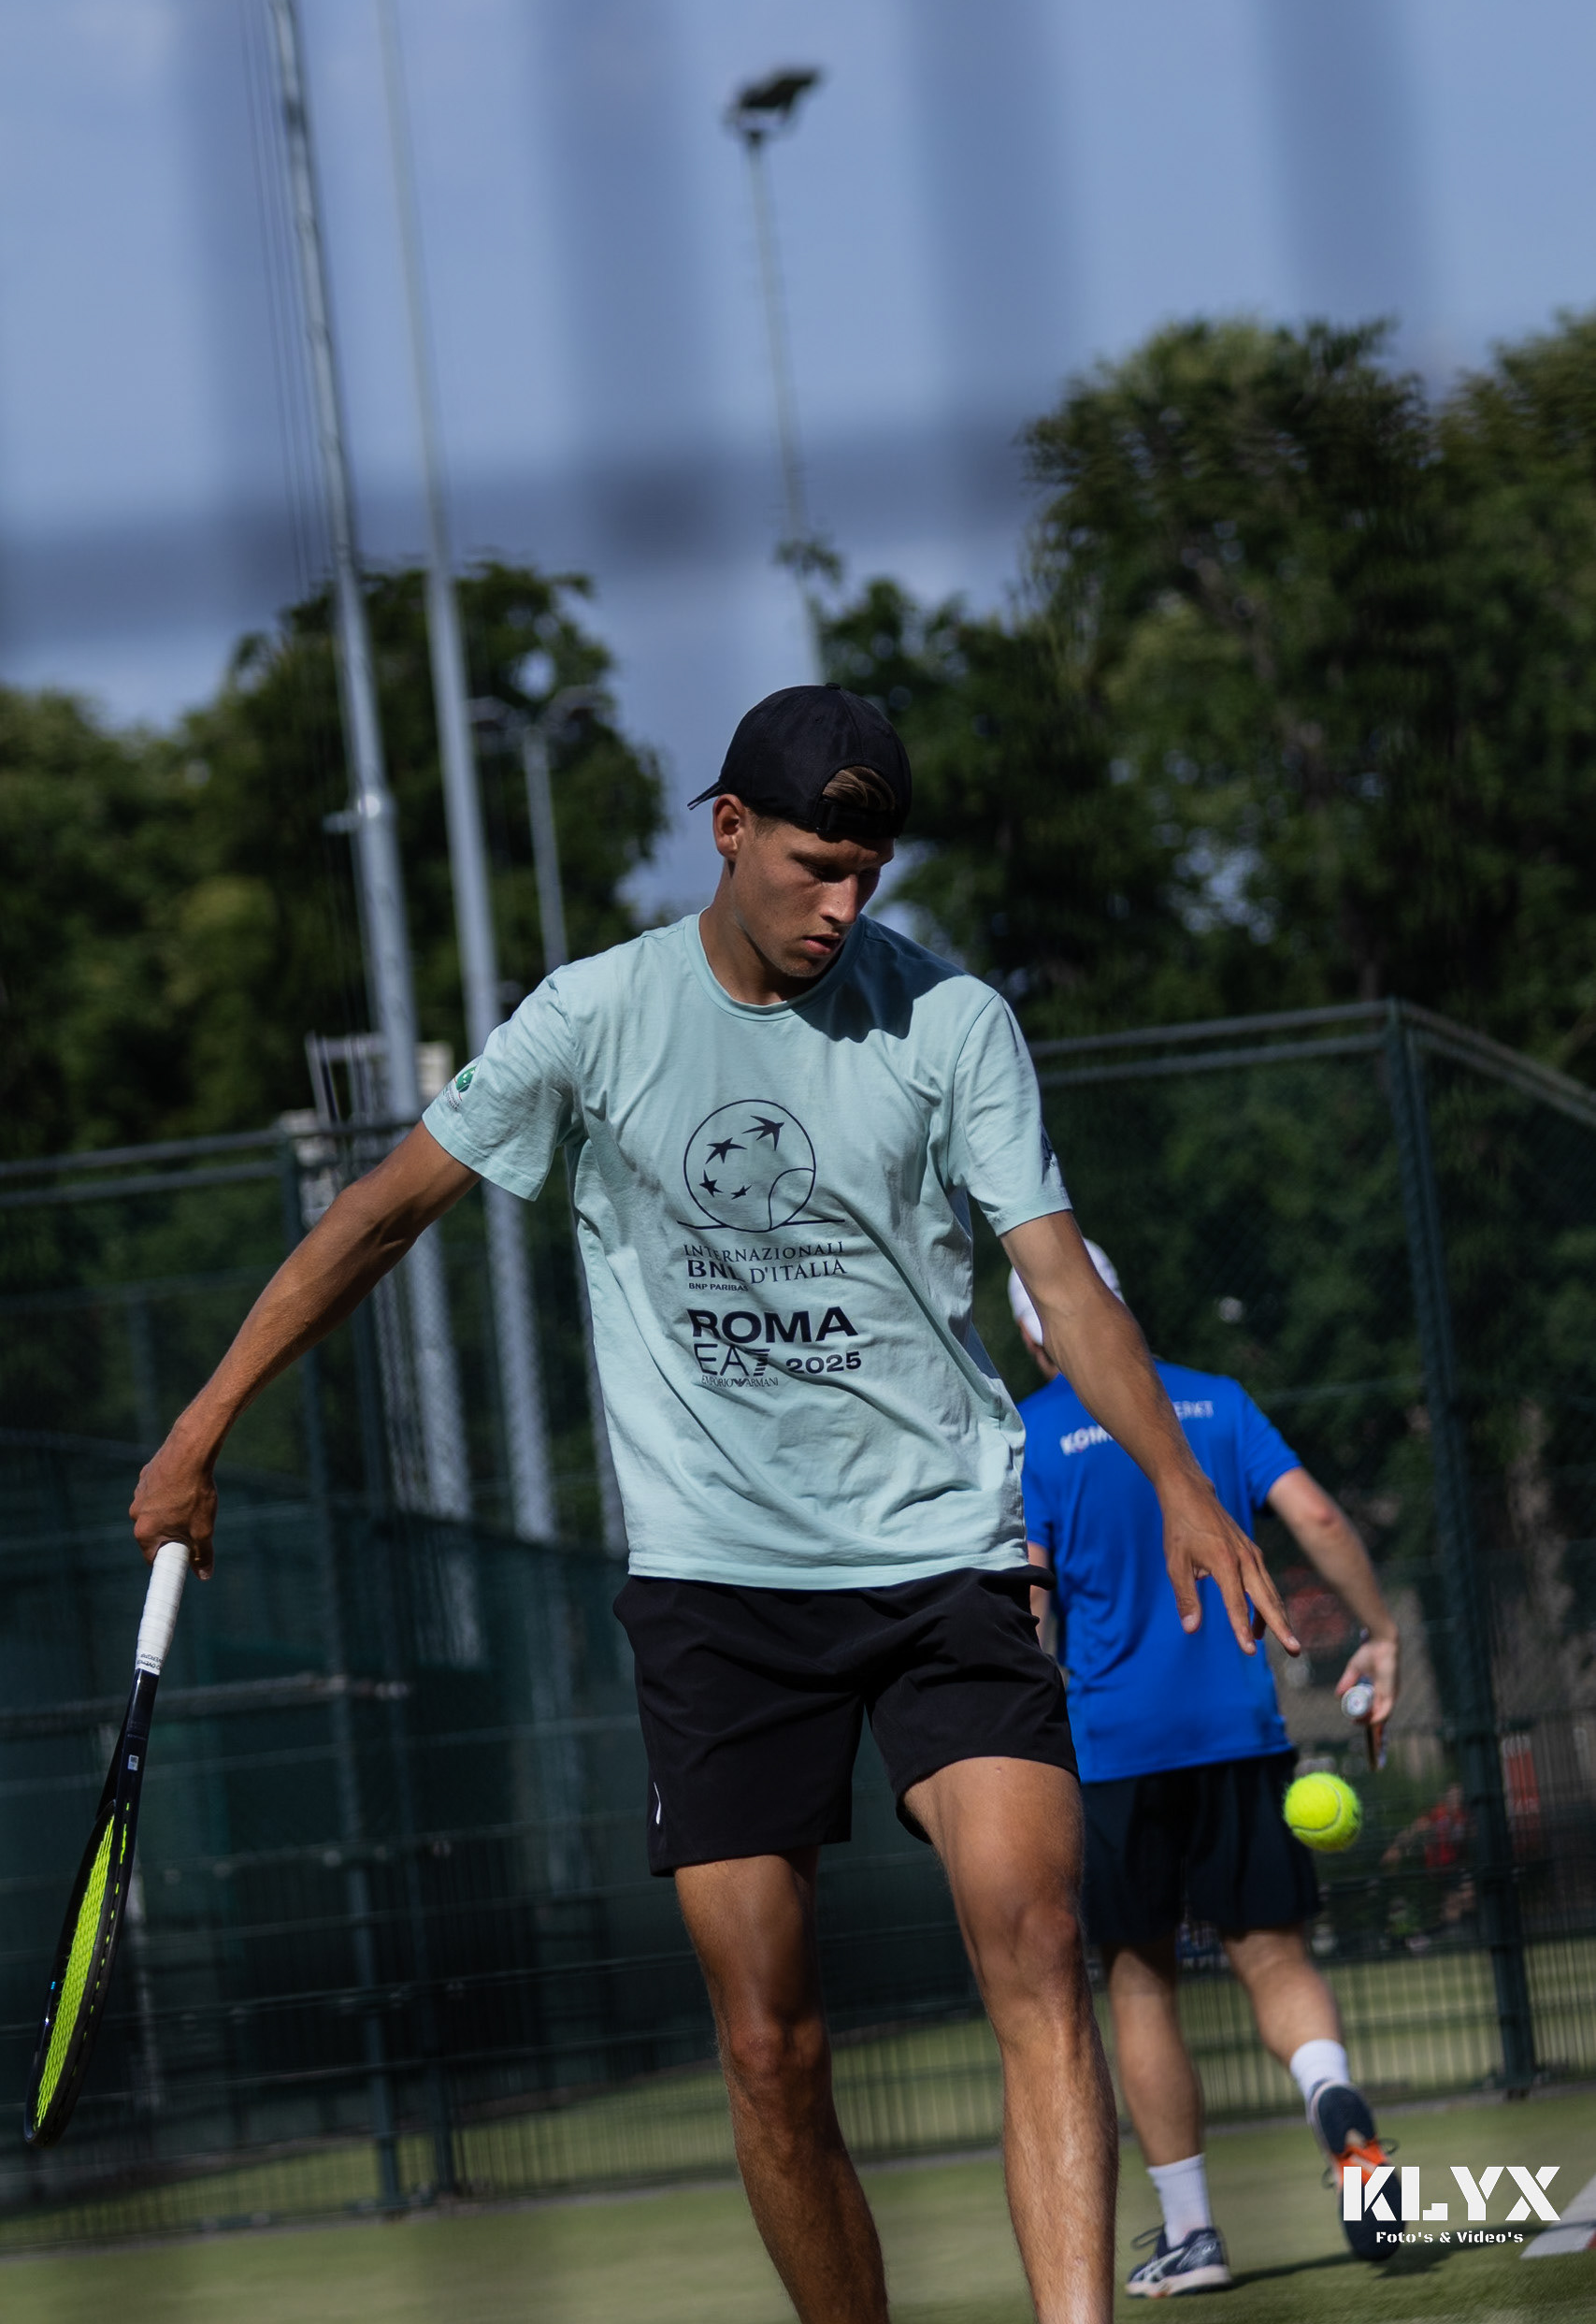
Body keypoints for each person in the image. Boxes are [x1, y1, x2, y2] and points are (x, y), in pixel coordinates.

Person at [132, 684, 1298, 2324]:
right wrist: (201, 1426)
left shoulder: (950, 1021)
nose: (843, 905)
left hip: (944, 1558)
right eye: (816, 865)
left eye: (868, 875)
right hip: (717, 1591)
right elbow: (383, 1216)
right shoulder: (592, 1017)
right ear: (729, 831)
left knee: (1036, 1943)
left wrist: (1178, 1480)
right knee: (766, 2044)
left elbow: (1056, 1278)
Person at [1009, 1252, 1401, 2295]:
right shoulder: (1217, 1401)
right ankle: (1333, 2104)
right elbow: (1317, 1517)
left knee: (1140, 1983)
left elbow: (1029, 1606)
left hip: (1114, 1751)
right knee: (1275, 1961)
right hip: (1240, 1731)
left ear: (1035, 1335)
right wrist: (1379, 1630)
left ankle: (1192, 2234)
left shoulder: (1030, 1437)